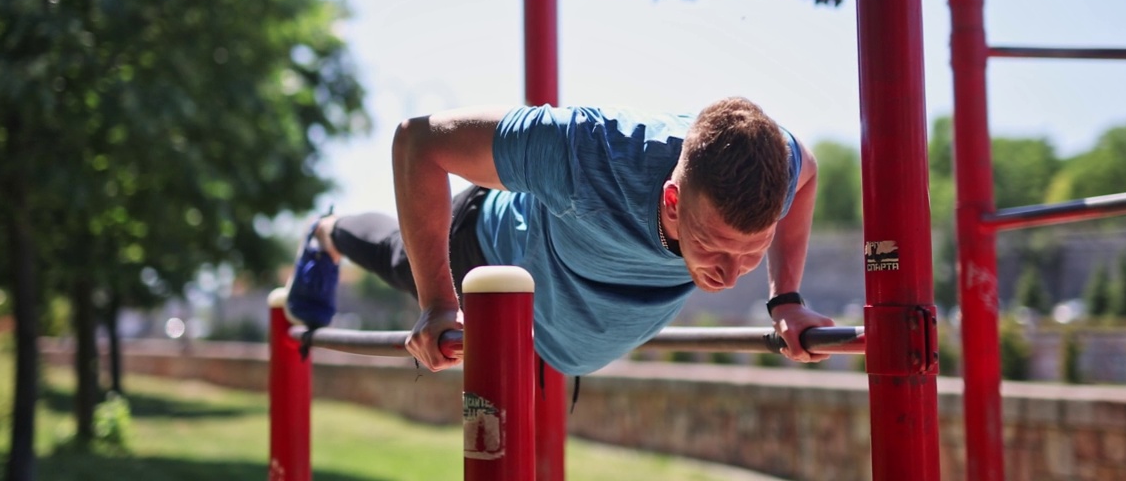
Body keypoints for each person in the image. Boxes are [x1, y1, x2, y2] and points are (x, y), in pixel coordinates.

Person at [289, 97, 835, 376]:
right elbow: (416, 142)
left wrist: (785, 299)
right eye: (713, 246)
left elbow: (806, 171)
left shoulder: (776, 167)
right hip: (484, 253)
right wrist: (437, 302)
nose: (729, 272)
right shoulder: (585, 151)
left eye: (752, 250)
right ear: (671, 199)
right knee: (396, 257)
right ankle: (326, 233)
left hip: (561, 330)